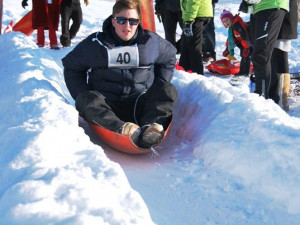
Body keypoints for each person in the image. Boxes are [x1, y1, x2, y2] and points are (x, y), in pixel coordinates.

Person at [62, 0, 178, 149]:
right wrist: (81, 93)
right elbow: (72, 66)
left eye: (133, 21)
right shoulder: (96, 44)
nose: (127, 26)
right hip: (106, 106)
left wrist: (159, 82)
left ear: (139, 22)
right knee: (85, 98)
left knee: (167, 89)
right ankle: (122, 129)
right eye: (121, 20)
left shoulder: (150, 42)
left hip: (139, 102)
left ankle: (151, 129)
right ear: (113, 21)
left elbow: (169, 57)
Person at [246, 0, 289, 99]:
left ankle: (262, 97)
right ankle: (270, 97)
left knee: (261, 54)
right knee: (261, 53)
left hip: (271, 5)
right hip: (257, 8)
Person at [269, 0, 298, 110]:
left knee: (280, 54)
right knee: (278, 55)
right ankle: (281, 98)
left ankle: (281, 99)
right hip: (283, 21)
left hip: (282, 21)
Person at [178, 0, 213, 75]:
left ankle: (197, 74)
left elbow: (193, 1)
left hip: (197, 15)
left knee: (194, 46)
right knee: (186, 44)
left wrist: (188, 20)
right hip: (198, 13)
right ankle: (183, 70)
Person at [220, 10, 251, 75]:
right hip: (244, 44)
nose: (226, 22)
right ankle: (244, 71)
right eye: (224, 21)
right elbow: (230, 39)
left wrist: (246, 48)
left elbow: (244, 36)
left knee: (246, 56)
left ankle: (244, 73)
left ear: (231, 19)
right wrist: (227, 49)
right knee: (244, 55)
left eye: (227, 20)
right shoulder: (231, 28)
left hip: (249, 42)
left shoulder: (237, 25)